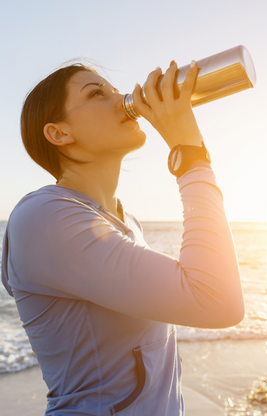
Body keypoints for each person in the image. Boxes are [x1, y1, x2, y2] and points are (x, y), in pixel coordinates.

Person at [1, 59, 245, 415]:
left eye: (116, 90)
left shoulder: (122, 220)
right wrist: (188, 152)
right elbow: (216, 299)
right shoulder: (44, 217)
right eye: (97, 93)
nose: (121, 99)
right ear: (59, 133)